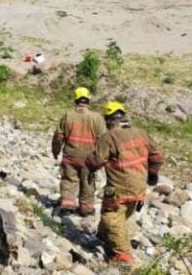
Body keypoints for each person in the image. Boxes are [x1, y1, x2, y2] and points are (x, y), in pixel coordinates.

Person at [86, 102, 165, 264]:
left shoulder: (108, 137)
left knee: (111, 216)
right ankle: (106, 237)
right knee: (127, 212)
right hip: (139, 186)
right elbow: (158, 155)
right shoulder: (141, 133)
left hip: (120, 187)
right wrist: (153, 174)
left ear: (108, 119)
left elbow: (96, 162)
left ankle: (123, 255)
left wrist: (87, 166)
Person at [51, 87, 106, 216]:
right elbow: (103, 140)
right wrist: (101, 159)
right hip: (89, 158)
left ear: (75, 100)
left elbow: (59, 136)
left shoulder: (68, 116)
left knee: (69, 180)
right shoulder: (96, 118)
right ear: (88, 101)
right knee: (87, 182)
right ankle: (86, 209)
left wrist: (55, 150)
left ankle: (68, 205)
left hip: (70, 156)